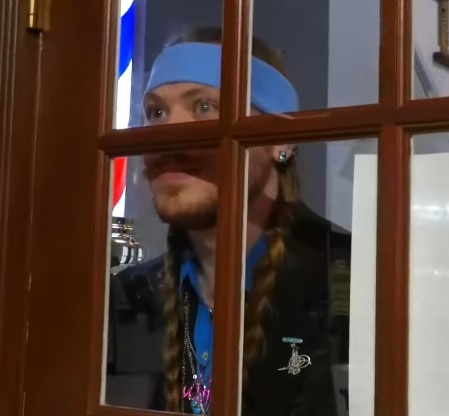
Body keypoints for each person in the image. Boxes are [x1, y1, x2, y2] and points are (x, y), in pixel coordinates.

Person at [106, 27, 351, 416]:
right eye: (156, 112)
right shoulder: (123, 299)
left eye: (204, 106)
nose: (167, 136)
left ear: (280, 142)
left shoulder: (358, 283)